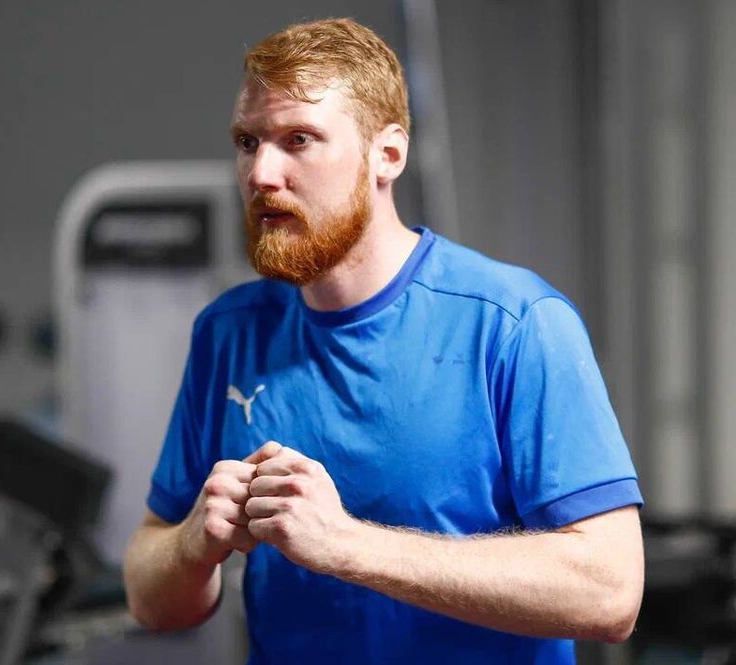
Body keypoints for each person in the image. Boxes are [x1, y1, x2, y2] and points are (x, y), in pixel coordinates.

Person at [123, 17, 644, 664]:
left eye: (299, 139)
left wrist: (345, 544)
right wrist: (192, 543)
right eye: (248, 142)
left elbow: (609, 591)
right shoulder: (228, 332)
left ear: (387, 155)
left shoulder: (514, 323)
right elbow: (148, 592)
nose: (261, 173)